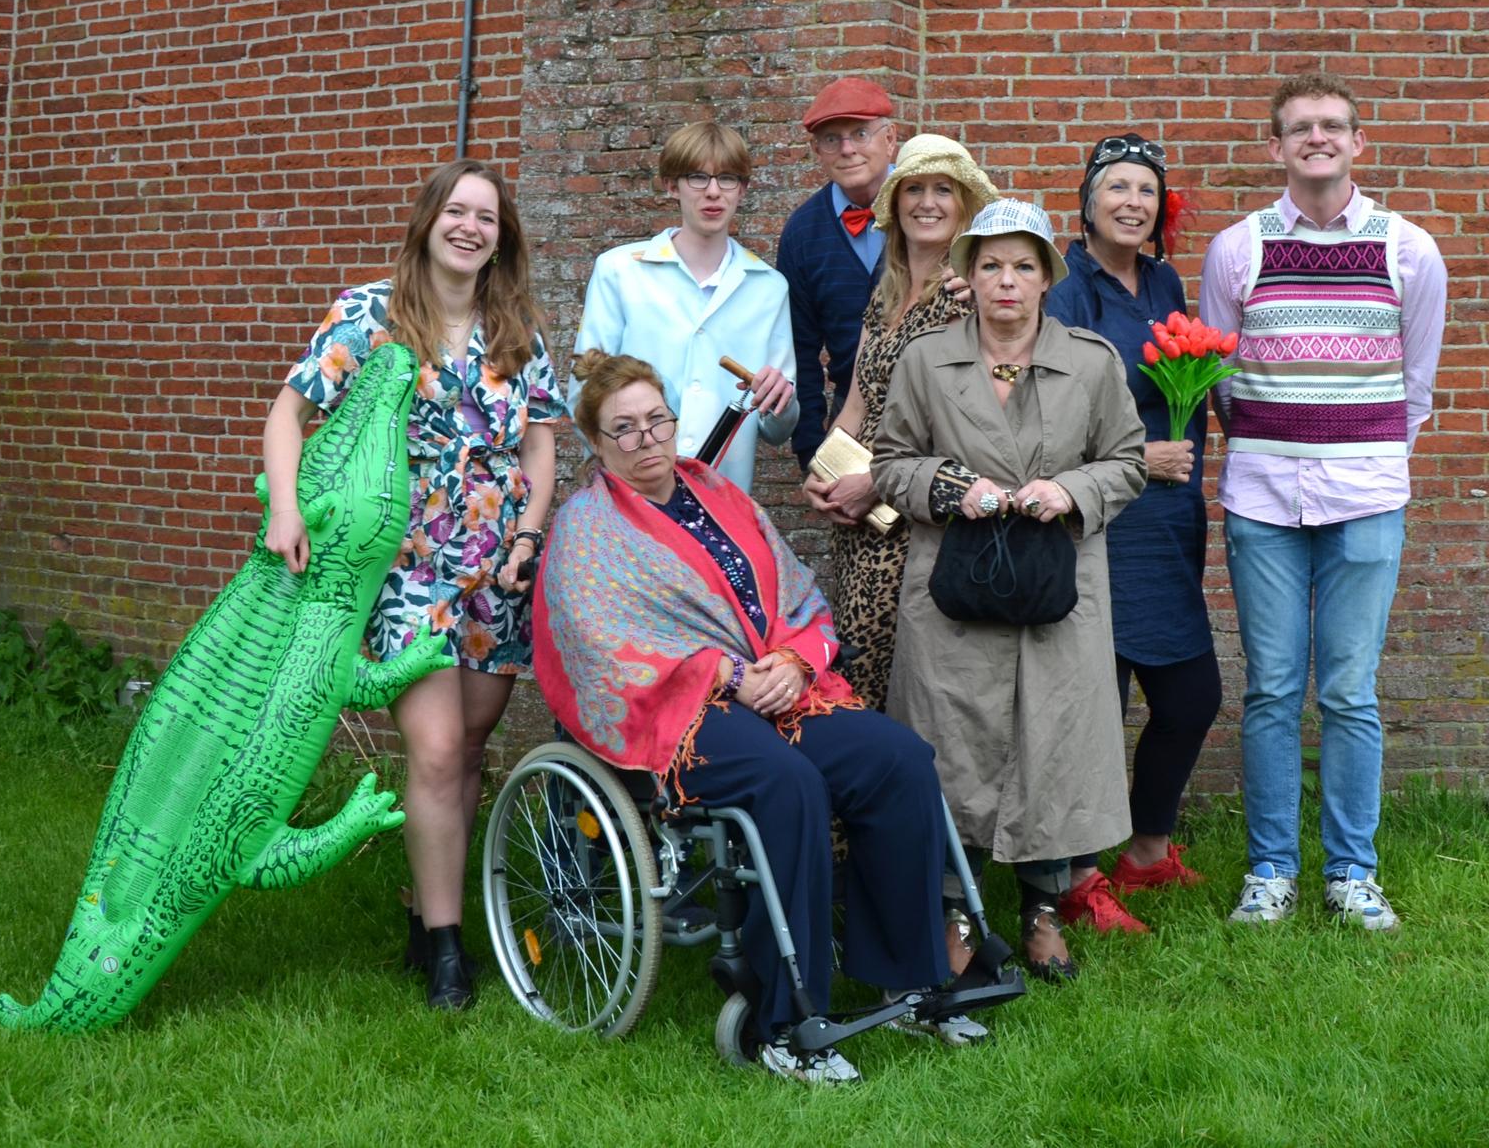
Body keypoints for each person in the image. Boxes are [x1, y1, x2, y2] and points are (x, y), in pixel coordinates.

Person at [535, 350, 978, 1084]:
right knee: (787, 782)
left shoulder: (716, 492)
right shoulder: (587, 528)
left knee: (897, 760)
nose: (647, 440)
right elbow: (601, 643)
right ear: (597, 443)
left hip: (778, 684)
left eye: (657, 420)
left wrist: (797, 662)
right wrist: (728, 674)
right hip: (676, 711)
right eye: (625, 429)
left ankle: (910, 981)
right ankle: (787, 1022)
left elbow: (795, 592)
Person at [263, 158, 560, 1009]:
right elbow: (289, 410)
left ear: (501, 238)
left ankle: (422, 913)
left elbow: (540, 441)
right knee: (432, 747)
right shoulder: (371, 313)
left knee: (466, 748)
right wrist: (286, 507)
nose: (471, 227)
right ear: (429, 221)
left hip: (496, 568)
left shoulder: (518, 328)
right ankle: (448, 954)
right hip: (405, 564)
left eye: (487, 217)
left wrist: (529, 533)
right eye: (457, 211)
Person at [872, 199, 1147, 982]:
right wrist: (949, 485)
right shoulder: (926, 359)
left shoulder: (1091, 361)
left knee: (1049, 747)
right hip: (953, 591)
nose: (1006, 281)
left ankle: (1043, 909)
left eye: (1024, 266)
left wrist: (1070, 490)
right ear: (968, 272)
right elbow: (889, 462)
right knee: (949, 750)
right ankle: (954, 910)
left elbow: (1128, 461)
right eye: (991, 264)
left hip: (1057, 588)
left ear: (1046, 278)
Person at [1198, 71, 1448, 932]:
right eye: (1300, 127)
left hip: (1368, 498)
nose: (1318, 138)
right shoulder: (1238, 249)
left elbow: (1416, 386)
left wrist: (1366, 456)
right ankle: (1271, 870)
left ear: (1357, 143)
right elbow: (1219, 376)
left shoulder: (1408, 249)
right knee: (1271, 688)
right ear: (1275, 146)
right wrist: (1275, 443)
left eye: (1333, 126)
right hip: (1262, 499)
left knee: (1348, 691)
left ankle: (1352, 872)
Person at [1044, 134, 1224, 936]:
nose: (1132, 201)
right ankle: (1075, 876)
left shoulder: (1163, 281)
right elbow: (1045, 411)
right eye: (1116, 187)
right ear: (1087, 202)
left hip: (1166, 523)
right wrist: (1133, 457)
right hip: (1099, 520)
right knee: (1095, 707)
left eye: (1146, 190)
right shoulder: (1064, 288)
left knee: (1191, 696)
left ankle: (1147, 849)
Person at [802, 133, 998, 709]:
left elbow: (964, 429)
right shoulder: (885, 295)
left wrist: (875, 482)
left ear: (963, 206)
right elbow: (856, 402)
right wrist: (821, 472)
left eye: (943, 190)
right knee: (855, 661)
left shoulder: (965, 298)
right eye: (914, 189)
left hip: (913, 521)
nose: (927, 203)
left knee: (893, 678)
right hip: (859, 516)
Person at [572, 121, 796, 493]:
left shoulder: (769, 288)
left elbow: (777, 430)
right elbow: (583, 393)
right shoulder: (619, 271)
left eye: (727, 178)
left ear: (742, 190)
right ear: (672, 185)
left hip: (719, 495)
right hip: (628, 492)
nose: (713, 192)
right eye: (697, 177)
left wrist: (781, 402)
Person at [777, 76, 899, 471]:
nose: (847, 150)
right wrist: (811, 451)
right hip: (852, 414)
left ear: (890, 139)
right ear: (817, 151)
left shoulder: (931, 207)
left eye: (860, 134)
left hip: (940, 409)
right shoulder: (803, 233)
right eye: (832, 139)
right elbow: (800, 349)